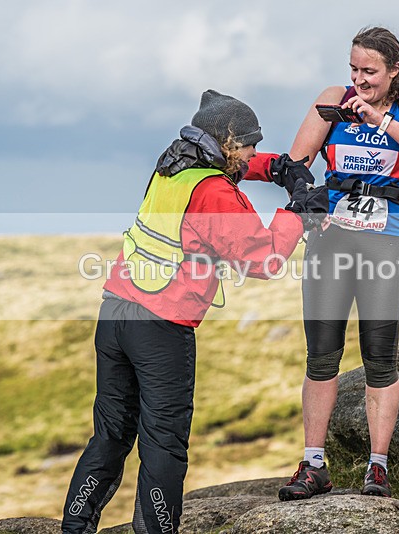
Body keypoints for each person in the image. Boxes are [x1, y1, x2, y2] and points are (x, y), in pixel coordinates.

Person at [61, 89, 327, 534]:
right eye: (251, 145)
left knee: (110, 436)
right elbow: (260, 259)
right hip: (160, 330)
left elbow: (223, 172)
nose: (254, 153)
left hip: (115, 317)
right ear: (227, 142)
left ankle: (74, 527)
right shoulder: (215, 193)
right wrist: (298, 212)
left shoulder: (173, 166)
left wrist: (278, 167)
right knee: (163, 445)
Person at [250, 26, 399, 500]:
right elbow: (297, 162)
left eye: (370, 71)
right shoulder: (334, 99)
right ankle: (314, 464)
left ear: (394, 70)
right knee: (321, 354)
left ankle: (376, 469)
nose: (359, 79)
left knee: (380, 357)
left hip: (385, 244)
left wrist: (382, 121)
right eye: (354, 69)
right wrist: (302, 195)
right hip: (331, 241)